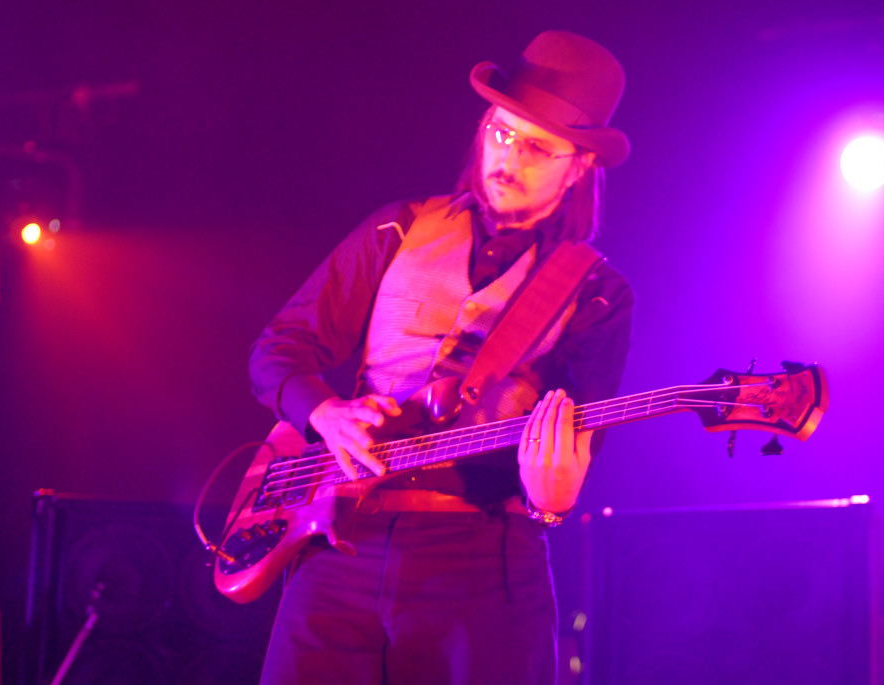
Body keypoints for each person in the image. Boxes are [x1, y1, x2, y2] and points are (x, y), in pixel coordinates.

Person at [249, 30, 634, 685]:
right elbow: (276, 350)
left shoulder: (598, 293)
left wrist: (555, 495)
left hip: (483, 561)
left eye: (537, 146)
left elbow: (570, 466)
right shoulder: (397, 228)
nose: (507, 157)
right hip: (341, 542)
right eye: (501, 132)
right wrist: (328, 414)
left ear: (579, 167)